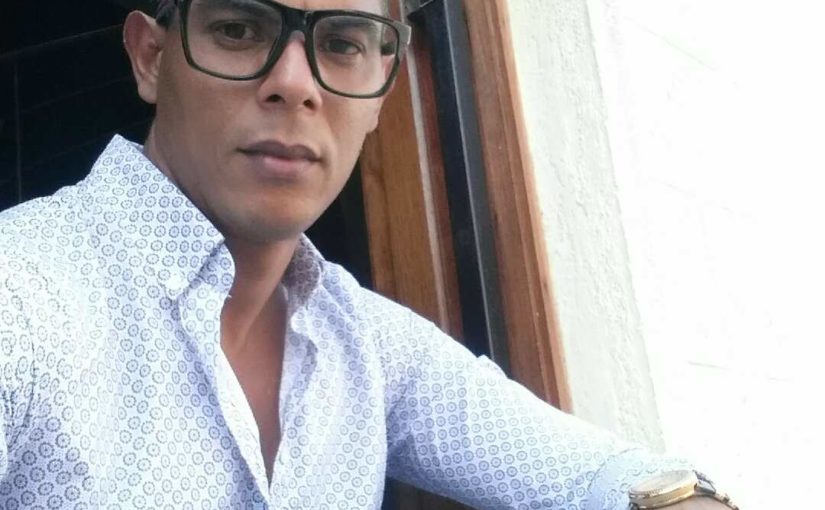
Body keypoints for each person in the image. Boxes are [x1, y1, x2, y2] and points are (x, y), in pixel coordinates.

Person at [0, 0, 738, 508]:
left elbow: (591, 476)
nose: (294, 84)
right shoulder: (24, 296)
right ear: (152, 57)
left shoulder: (363, 342)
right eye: (239, 28)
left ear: (382, 91)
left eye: (343, 43)